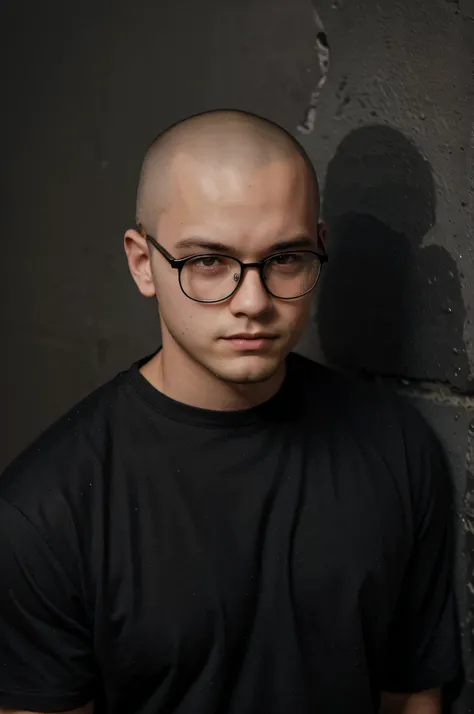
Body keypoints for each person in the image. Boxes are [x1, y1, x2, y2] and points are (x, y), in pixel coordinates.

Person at [0, 110, 461, 714]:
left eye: (285, 258)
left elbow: (410, 700)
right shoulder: (44, 513)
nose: (253, 302)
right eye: (208, 262)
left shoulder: (397, 447)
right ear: (143, 263)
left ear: (320, 249)